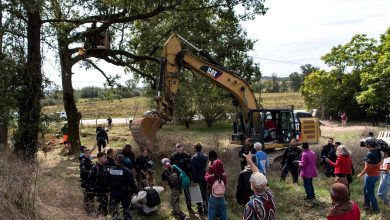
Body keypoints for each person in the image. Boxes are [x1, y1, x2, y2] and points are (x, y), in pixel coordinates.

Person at [243, 152, 276, 220]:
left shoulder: (251, 205)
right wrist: (250, 161)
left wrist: (249, 161)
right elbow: (258, 174)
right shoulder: (270, 194)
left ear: (253, 186)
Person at [107, 154, 138, 220]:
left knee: (114, 211)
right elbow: (132, 183)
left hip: (114, 193)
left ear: (115, 160)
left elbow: (106, 181)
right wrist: (136, 191)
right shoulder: (127, 170)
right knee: (126, 210)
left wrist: (107, 190)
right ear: (123, 161)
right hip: (125, 193)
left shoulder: (111, 170)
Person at [357, 138, 381, 213]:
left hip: (371, 175)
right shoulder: (377, 151)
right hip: (376, 174)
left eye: (366, 143)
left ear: (369, 144)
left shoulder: (369, 154)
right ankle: (366, 204)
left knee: (370, 193)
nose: (365, 144)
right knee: (365, 190)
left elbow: (368, 168)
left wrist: (361, 174)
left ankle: (376, 210)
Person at [170, 143, 194, 214]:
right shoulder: (173, 156)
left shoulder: (187, 155)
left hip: (186, 177)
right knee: (176, 195)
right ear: (176, 148)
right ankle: (176, 209)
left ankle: (189, 208)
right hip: (177, 178)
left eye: (180, 147)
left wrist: (190, 177)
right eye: (178, 147)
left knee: (188, 194)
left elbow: (191, 167)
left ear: (182, 147)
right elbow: (171, 168)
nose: (179, 149)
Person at [88, 152, 109, 216]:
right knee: (103, 202)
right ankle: (98, 215)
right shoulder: (95, 167)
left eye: (105, 157)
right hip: (98, 189)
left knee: (105, 202)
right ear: (99, 158)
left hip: (104, 188)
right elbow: (90, 178)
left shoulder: (104, 166)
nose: (105, 159)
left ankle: (103, 215)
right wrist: (93, 187)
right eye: (104, 157)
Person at [190, 143, 208, 215]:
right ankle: (206, 209)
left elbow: (194, 171)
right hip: (205, 177)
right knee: (205, 194)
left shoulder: (193, 158)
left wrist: (194, 180)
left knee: (198, 195)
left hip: (197, 178)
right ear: (201, 148)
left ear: (195, 149)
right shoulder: (205, 157)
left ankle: (200, 211)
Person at [79, 148, 95, 213]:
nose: (88, 154)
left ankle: (91, 209)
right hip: (86, 182)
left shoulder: (89, 160)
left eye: (89, 153)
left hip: (90, 181)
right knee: (87, 196)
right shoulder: (83, 161)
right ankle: (88, 210)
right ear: (84, 154)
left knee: (91, 196)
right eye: (87, 153)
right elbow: (83, 171)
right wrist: (92, 172)